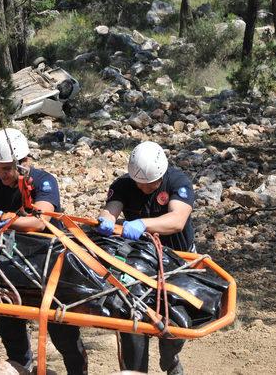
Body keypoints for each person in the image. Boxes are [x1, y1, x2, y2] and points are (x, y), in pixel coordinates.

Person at [0, 128, 88, 375]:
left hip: (50, 266)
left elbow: (40, 220)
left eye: (7, 168)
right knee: (9, 328)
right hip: (11, 266)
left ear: (24, 162)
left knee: (63, 333)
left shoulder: (43, 181)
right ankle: (22, 369)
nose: (1, 174)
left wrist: (6, 220)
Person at [95, 141, 195, 375]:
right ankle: (136, 371)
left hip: (178, 259)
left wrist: (143, 224)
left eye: (149, 185)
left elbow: (177, 220)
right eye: (138, 183)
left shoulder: (177, 182)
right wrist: (107, 218)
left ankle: (169, 360)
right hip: (140, 261)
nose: (142, 189)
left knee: (176, 322)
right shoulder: (124, 185)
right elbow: (111, 208)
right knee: (133, 318)